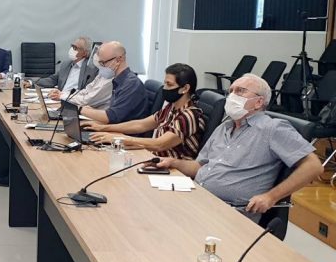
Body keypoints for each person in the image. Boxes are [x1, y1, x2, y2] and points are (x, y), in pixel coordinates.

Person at [157, 74, 323, 221]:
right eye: (230, 91)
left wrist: (271, 197)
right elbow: (200, 166)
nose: (232, 96)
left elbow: (314, 166)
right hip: (199, 198)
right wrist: (174, 162)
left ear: (259, 102)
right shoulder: (225, 126)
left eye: (240, 91)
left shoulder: (273, 128)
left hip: (231, 213)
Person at [85, 63, 205, 159]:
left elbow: (159, 144)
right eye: (165, 83)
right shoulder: (171, 108)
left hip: (174, 171)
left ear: (185, 88)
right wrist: (103, 128)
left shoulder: (189, 116)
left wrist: (119, 139)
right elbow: (141, 124)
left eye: (169, 84)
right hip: (155, 158)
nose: (164, 88)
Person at [79, 41, 148, 124]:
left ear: (118, 60)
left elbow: (112, 117)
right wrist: (91, 111)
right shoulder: (119, 80)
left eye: (103, 63)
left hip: (122, 130)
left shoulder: (131, 84)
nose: (101, 67)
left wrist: (79, 109)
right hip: (115, 126)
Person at [31, 37, 98, 101]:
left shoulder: (91, 69)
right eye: (72, 46)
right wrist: (31, 82)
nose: (72, 49)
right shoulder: (66, 64)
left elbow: (86, 92)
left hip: (73, 101)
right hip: (58, 99)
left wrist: (63, 95)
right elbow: (53, 79)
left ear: (85, 53)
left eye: (75, 48)